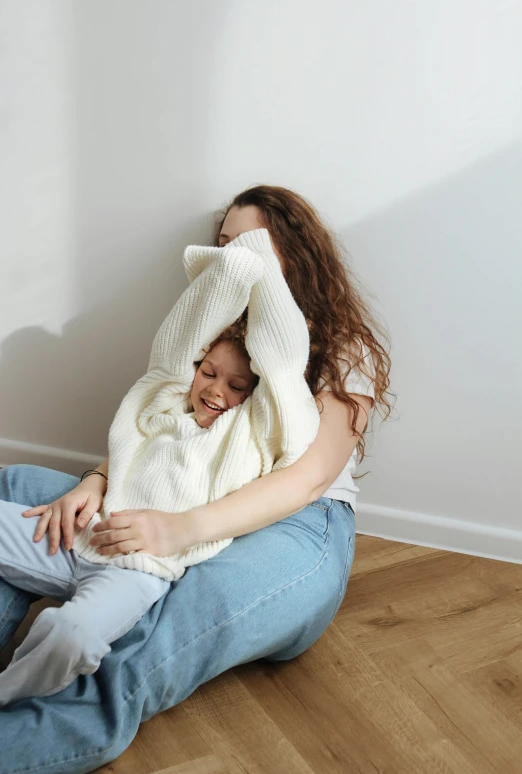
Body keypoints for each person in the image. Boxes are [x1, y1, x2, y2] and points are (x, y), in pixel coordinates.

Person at [0, 185, 392, 773]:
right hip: (177, 492)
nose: (231, 254)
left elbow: (305, 480)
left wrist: (178, 530)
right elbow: (158, 431)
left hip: (294, 524)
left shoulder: (339, 345)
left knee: (157, 631)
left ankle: (38, 737)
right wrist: (96, 482)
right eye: (224, 243)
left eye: (248, 243)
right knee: (20, 488)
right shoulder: (214, 332)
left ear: (291, 252)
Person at [0, 228, 320, 704]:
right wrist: (234, 267)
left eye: (235, 386)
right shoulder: (164, 402)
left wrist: (262, 264)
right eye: (208, 373)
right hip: (78, 536)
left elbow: (283, 358)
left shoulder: (255, 433)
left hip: (136, 572)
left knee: (72, 635)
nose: (215, 390)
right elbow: (181, 338)